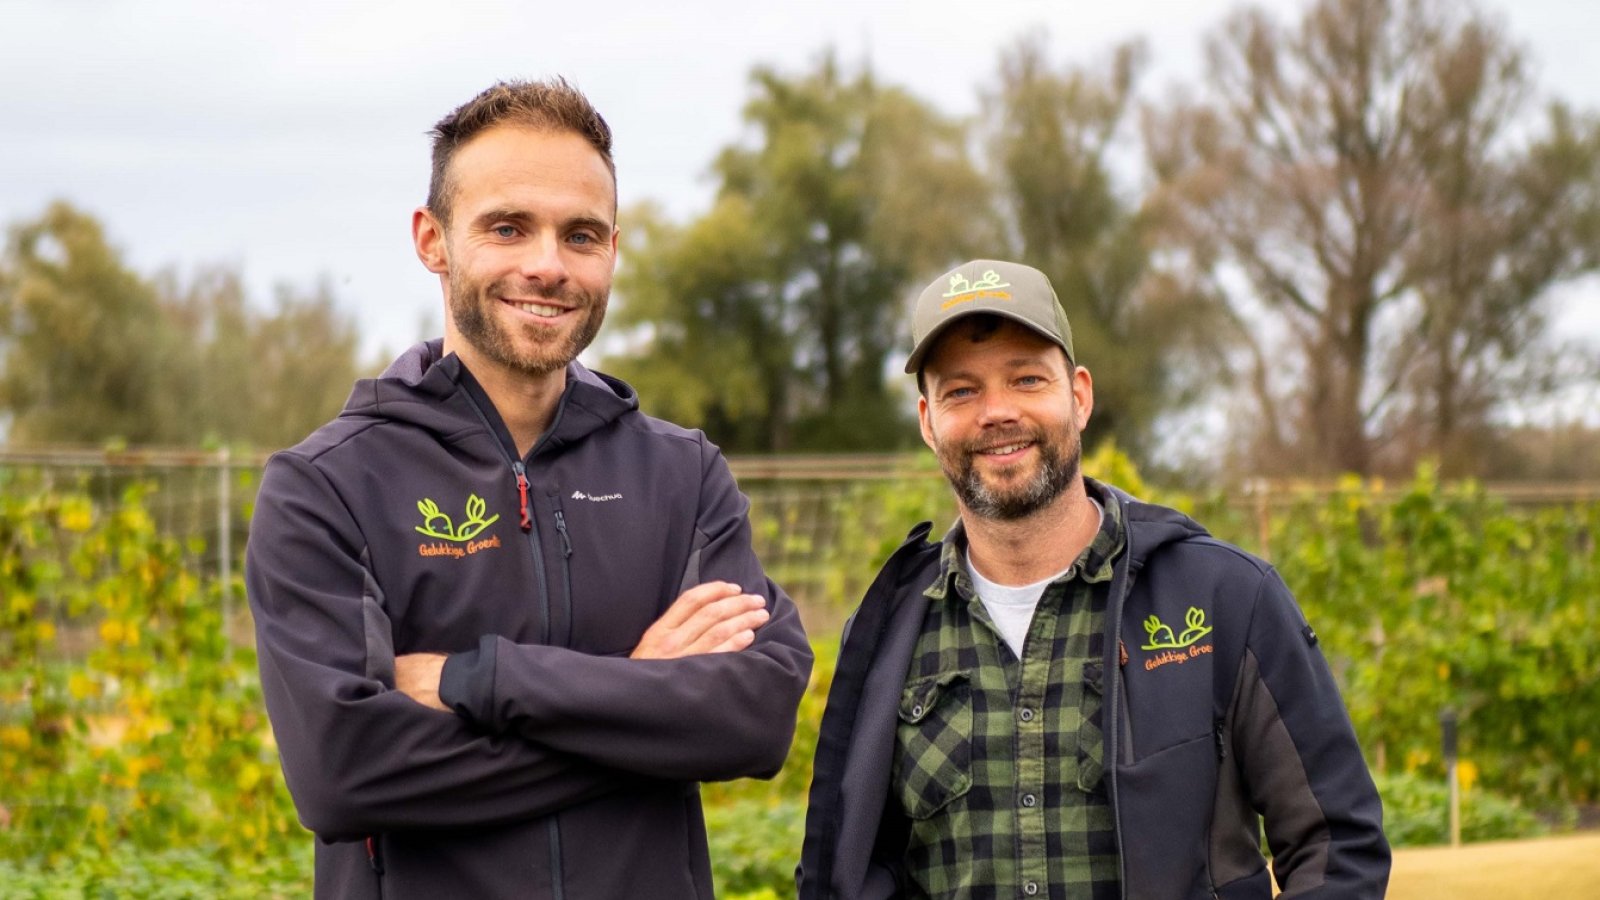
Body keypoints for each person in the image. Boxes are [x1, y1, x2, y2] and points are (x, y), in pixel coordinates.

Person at [245, 78, 812, 900]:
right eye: (508, 228)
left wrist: (480, 680)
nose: (547, 266)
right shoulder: (326, 488)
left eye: (580, 235)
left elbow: (755, 719)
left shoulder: (682, 474)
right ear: (432, 239)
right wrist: (641, 695)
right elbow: (342, 774)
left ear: (613, 247)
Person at [798, 260, 1389, 899]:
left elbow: (1336, 842)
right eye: (961, 391)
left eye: (1026, 379)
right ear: (926, 420)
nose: (996, 412)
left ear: (1079, 396)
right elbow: (844, 871)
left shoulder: (1224, 598)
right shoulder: (887, 634)